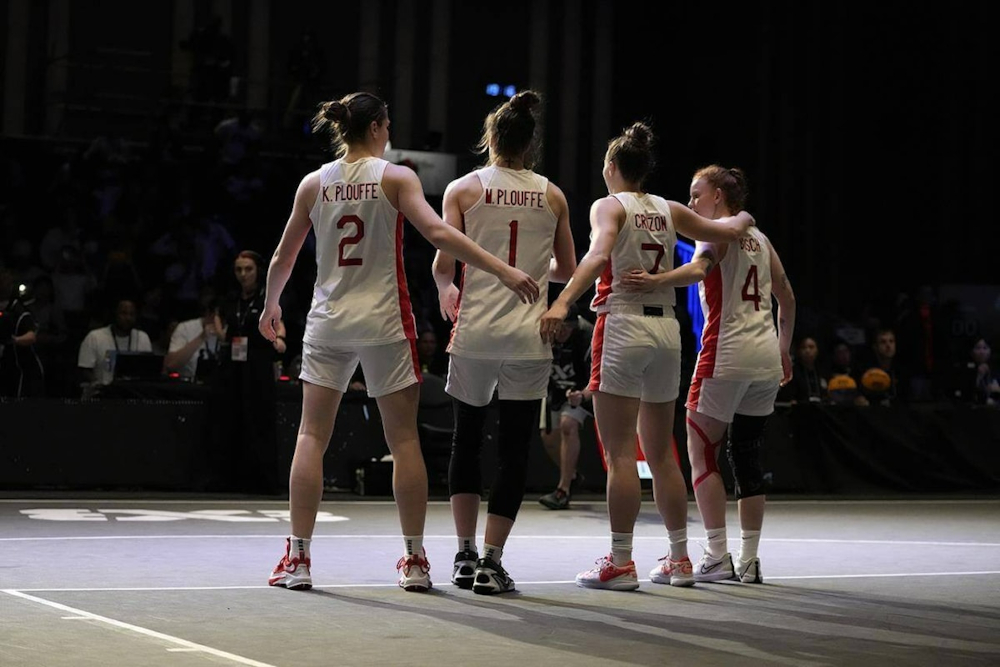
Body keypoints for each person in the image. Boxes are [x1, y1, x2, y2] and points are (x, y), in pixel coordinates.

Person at [258, 91, 540, 593]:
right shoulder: (395, 178)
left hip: (327, 322)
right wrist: (500, 268)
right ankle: (414, 561)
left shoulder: (312, 183)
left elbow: (283, 256)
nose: (389, 134)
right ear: (375, 128)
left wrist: (270, 306)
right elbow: (438, 233)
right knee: (404, 440)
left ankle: (298, 558)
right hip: (385, 322)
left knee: (310, 437)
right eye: (387, 126)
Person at [539, 125, 755, 591]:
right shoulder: (669, 208)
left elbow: (597, 257)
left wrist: (561, 303)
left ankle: (620, 562)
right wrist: (744, 219)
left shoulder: (608, 205)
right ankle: (679, 560)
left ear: (611, 168)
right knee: (661, 454)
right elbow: (727, 230)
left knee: (619, 456)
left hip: (621, 324)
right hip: (667, 330)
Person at [432, 90, 576, 594]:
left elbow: (443, 262)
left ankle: (464, 555)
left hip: (475, 331)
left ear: (490, 138)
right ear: (530, 141)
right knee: (514, 448)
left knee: (466, 440)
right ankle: (492, 563)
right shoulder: (553, 195)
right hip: (527, 335)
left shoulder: (462, 190)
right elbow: (568, 270)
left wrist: (448, 290)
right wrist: (535, 271)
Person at [635, 164, 794, 585]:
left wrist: (655, 280)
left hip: (726, 354)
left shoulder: (714, 231)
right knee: (746, 455)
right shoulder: (760, 238)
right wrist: (784, 348)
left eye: (696, 194)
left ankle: (716, 554)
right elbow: (788, 297)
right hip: (765, 359)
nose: (691, 203)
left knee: (701, 452)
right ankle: (751, 559)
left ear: (718, 197)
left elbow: (698, 270)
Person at [209, 250, 287, 494]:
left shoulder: (268, 300)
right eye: (239, 270)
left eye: (248, 269)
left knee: (259, 422)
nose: (243, 275)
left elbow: (280, 334)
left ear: (258, 271)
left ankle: (263, 482)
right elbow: (221, 331)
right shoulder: (229, 301)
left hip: (258, 368)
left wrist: (279, 341)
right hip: (232, 369)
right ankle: (228, 480)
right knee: (229, 421)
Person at [538, 302, 594, 510]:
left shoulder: (587, 336)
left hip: (582, 389)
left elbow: (598, 375)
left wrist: (582, 395)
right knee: (548, 437)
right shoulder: (545, 329)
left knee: (568, 424)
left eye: (565, 328)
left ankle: (562, 491)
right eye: (557, 327)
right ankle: (571, 476)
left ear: (574, 325)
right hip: (554, 388)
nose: (560, 332)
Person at [77, 298, 152, 395]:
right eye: (124, 313)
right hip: (102, 394)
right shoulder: (95, 336)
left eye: (132, 314)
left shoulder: (143, 337)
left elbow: (148, 370)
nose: (128, 318)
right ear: (115, 314)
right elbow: (85, 369)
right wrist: (97, 384)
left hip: (134, 393)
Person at [0, 270, 45, 398]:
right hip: (6, 369)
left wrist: (15, 340)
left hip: (24, 371)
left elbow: (31, 336)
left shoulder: (19, 312)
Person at [163, 297, 224, 382]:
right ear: (208, 313)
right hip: (187, 384)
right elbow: (170, 365)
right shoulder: (185, 328)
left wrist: (223, 338)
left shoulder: (228, 331)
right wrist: (201, 337)